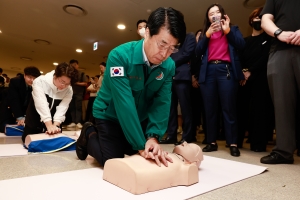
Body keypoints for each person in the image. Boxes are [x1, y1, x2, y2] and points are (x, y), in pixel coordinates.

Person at [76, 7, 186, 167]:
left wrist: (153, 137)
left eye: (172, 48)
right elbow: (124, 103)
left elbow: (162, 102)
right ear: (147, 32)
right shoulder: (119, 56)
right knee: (113, 161)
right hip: (110, 114)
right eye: (162, 44)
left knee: (137, 154)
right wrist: (141, 145)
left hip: (139, 116)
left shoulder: (169, 66)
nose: (164, 54)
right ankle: (88, 133)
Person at [195, 3, 245, 157]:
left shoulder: (233, 29)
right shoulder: (205, 33)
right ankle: (211, 142)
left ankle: (233, 143)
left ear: (223, 15)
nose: (215, 15)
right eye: (211, 13)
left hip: (226, 70)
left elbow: (242, 45)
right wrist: (208, 34)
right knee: (210, 109)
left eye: (217, 12)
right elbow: (197, 52)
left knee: (228, 107)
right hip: (208, 71)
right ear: (208, 18)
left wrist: (228, 30)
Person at [260, 0, 300, 164]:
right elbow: (265, 19)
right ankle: (284, 151)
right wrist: (278, 32)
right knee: (282, 103)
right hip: (280, 49)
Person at [237, 7, 274, 152]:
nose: (257, 19)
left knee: (259, 112)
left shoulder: (270, 40)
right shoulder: (244, 41)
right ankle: (237, 141)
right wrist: (243, 73)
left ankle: (258, 144)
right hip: (243, 80)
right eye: (255, 17)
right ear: (250, 21)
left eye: (261, 17)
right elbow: (238, 58)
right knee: (240, 110)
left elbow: (264, 58)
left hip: (260, 80)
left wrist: (250, 71)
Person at [103, 142, 203, 195]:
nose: (184, 142)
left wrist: (191, 168)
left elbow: (190, 176)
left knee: (143, 167)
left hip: (138, 173)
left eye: (189, 146)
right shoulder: (169, 153)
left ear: (195, 161)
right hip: (129, 164)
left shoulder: (186, 166)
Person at [22, 63, 78, 142]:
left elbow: (62, 108)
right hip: (34, 120)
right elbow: (41, 104)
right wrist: (49, 125)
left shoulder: (69, 90)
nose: (63, 86)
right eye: (62, 81)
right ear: (55, 75)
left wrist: (54, 127)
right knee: (30, 142)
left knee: (55, 143)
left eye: (67, 84)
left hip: (54, 122)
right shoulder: (40, 81)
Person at [160, 32, 196, 145]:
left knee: (185, 108)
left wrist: (168, 63)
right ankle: (171, 135)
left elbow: (187, 53)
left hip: (182, 75)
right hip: (169, 76)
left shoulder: (189, 37)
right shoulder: (168, 38)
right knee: (170, 108)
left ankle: (187, 136)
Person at [0, 66, 41, 132]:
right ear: (24, 75)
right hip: (9, 107)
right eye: (30, 77)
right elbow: (14, 100)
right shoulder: (15, 81)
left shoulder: (37, 84)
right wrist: (19, 117)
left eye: (34, 78)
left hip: (23, 109)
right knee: (6, 128)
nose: (32, 80)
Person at [67, 59, 87, 129]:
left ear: (78, 65)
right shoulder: (69, 74)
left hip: (79, 93)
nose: (74, 66)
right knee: (71, 107)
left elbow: (85, 83)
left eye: (75, 65)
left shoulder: (82, 73)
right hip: (69, 93)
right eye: (72, 65)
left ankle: (78, 122)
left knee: (78, 107)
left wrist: (76, 83)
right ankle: (73, 121)